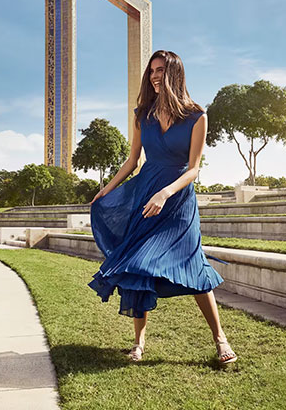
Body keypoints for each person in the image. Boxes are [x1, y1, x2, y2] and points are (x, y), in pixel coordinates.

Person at [87, 49, 237, 365]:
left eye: (160, 71)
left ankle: (220, 339)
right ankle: (139, 343)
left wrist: (166, 193)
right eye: (152, 71)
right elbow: (133, 160)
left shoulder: (197, 115)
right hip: (146, 197)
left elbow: (194, 168)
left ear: (175, 75)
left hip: (178, 202)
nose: (154, 76)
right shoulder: (142, 115)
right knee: (138, 266)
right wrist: (107, 189)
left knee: (194, 266)